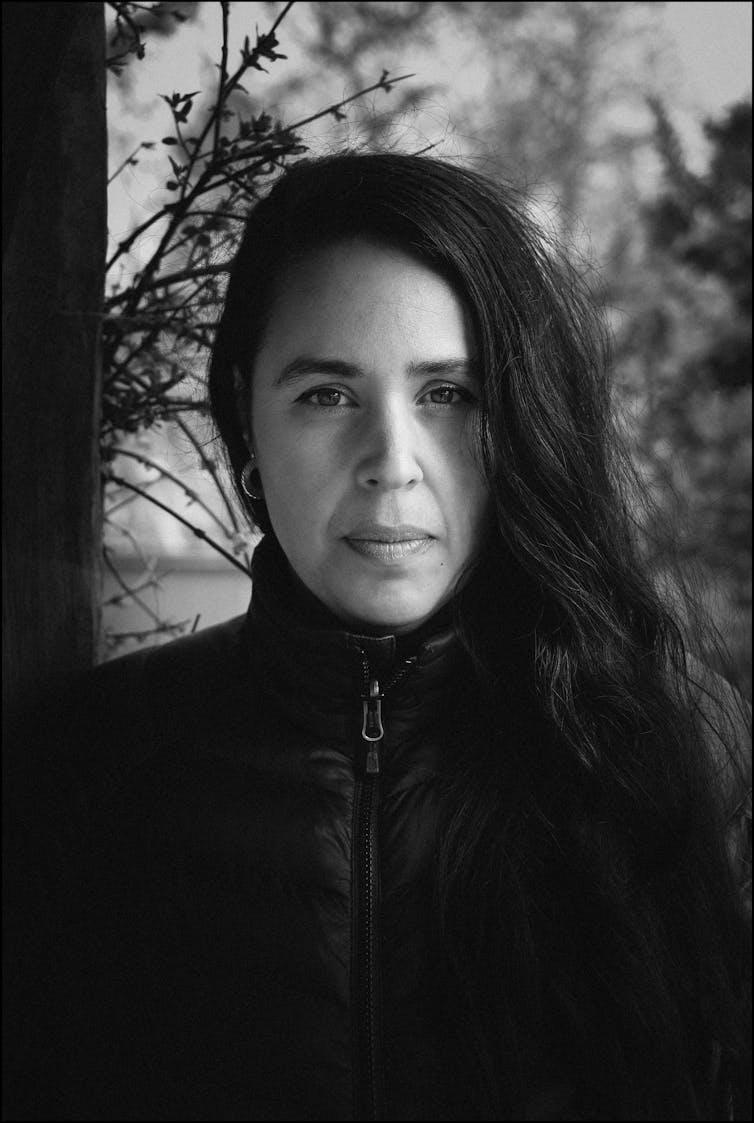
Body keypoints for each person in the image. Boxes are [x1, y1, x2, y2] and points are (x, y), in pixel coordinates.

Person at [6, 152, 751, 1121]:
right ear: (243, 416)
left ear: (521, 418)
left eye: (448, 395)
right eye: (326, 394)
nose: (390, 465)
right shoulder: (97, 762)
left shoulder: (673, 740)